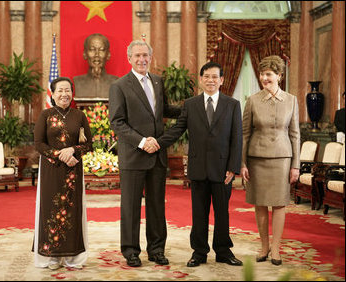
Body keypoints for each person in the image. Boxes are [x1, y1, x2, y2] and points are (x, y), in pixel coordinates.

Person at [155, 61, 243, 267]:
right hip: (198, 168)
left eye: (215, 77)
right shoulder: (191, 104)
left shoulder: (232, 105)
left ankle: (223, 251)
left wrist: (233, 167)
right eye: (207, 77)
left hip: (223, 170)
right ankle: (199, 252)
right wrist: (157, 143)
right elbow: (177, 130)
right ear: (201, 80)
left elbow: (237, 138)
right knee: (199, 213)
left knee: (222, 213)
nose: (211, 80)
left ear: (221, 80)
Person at [109, 40, 181, 267]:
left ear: (151, 57)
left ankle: (157, 250)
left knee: (157, 206)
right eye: (137, 55)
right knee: (130, 207)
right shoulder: (119, 86)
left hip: (157, 155)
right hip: (133, 155)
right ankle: (131, 251)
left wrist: (194, 107)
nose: (142, 59)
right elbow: (117, 122)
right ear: (129, 58)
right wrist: (142, 142)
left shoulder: (158, 82)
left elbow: (164, 111)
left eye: (146, 55)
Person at [240, 55, 300, 266]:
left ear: (279, 76)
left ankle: (276, 249)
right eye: (262, 74)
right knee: (260, 203)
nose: (264, 78)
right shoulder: (252, 100)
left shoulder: (292, 100)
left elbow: (295, 134)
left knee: (280, 204)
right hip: (257, 158)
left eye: (269, 74)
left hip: (283, 159)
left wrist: (296, 166)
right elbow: (245, 134)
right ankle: (264, 247)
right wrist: (243, 163)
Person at [33, 77, 93, 270]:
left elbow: (88, 144)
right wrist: (60, 154)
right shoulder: (45, 115)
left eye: (67, 90)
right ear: (52, 93)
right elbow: (39, 144)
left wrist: (73, 151)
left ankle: (72, 257)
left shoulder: (79, 116)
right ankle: (51, 257)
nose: (64, 94)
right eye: (60, 90)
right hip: (51, 169)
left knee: (72, 211)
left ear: (72, 93)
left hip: (73, 169)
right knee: (50, 209)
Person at [74, 33, 118, 99]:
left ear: (108, 54)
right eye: (92, 49)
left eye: (101, 50)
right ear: (84, 54)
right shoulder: (77, 81)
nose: (97, 54)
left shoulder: (117, 82)